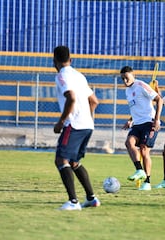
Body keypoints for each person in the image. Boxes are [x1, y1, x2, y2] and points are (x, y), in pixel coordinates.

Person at [53, 45, 100, 210]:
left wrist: (61, 122)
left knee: (61, 160)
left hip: (73, 125)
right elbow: (94, 101)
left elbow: (71, 98)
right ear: (70, 60)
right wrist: (85, 116)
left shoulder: (61, 76)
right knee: (74, 161)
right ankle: (91, 198)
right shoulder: (79, 76)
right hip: (87, 124)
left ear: (54, 61)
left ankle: (73, 202)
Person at [120, 66, 163, 191]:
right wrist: (130, 120)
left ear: (133, 75)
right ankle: (139, 170)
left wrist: (156, 119)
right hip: (137, 124)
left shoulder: (141, 85)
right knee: (129, 143)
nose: (124, 81)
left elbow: (159, 100)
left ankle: (147, 182)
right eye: (122, 79)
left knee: (144, 150)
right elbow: (136, 108)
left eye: (126, 78)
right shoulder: (127, 91)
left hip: (149, 122)